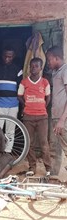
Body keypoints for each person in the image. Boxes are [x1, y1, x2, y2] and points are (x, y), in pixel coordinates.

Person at [18, 58, 51, 176]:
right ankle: (32, 167)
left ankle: (48, 168)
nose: (34, 68)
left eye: (36, 66)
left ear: (41, 68)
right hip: (28, 116)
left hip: (42, 116)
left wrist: (42, 106)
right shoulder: (24, 82)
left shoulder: (45, 82)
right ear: (29, 68)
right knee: (29, 142)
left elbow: (48, 97)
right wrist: (26, 104)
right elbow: (19, 96)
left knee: (44, 143)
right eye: (32, 66)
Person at [0, 46, 23, 153]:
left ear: (13, 56)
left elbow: (21, 88)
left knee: (10, 131)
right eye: (5, 56)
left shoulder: (18, 69)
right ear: (2, 55)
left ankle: (8, 153)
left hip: (13, 105)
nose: (7, 58)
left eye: (10, 56)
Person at [46, 46, 67, 176]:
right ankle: (54, 175)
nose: (48, 63)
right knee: (56, 146)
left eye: (49, 60)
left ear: (56, 58)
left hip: (62, 117)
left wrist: (62, 120)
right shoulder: (56, 72)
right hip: (56, 116)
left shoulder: (65, 71)